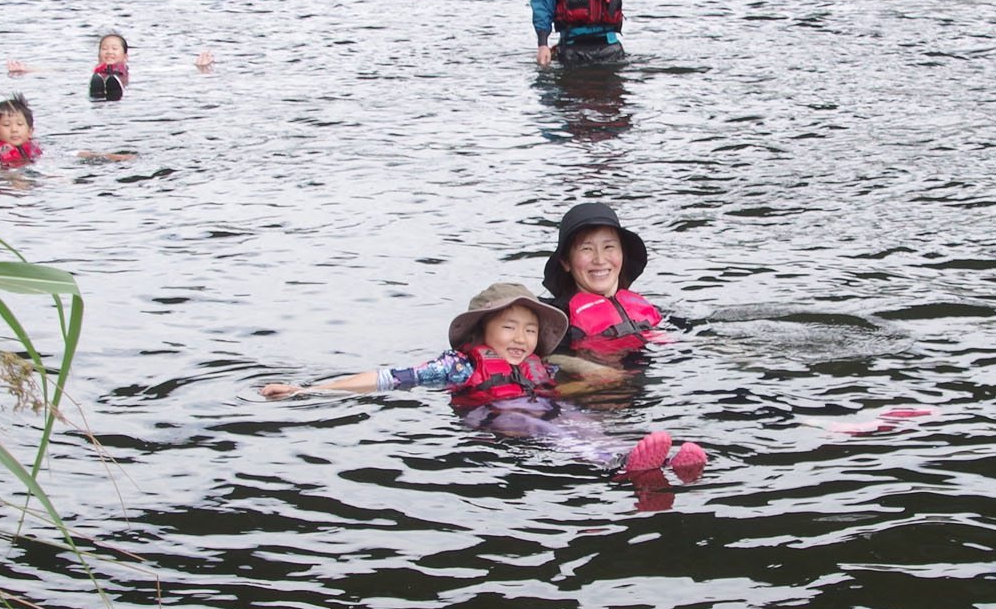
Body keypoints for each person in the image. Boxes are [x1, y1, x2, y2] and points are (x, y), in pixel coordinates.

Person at [260, 282, 704, 478]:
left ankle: (652, 462)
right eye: (509, 327)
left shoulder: (540, 367)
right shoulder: (459, 365)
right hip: (494, 418)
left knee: (582, 421)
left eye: (530, 330)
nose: (521, 337)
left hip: (540, 405)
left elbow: (555, 390)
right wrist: (308, 389)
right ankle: (617, 467)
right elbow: (387, 379)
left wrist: (598, 380)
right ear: (484, 330)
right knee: (542, 426)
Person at [542, 202, 667, 371]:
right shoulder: (555, 320)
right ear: (566, 262)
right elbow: (544, 356)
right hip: (594, 392)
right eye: (586, 249)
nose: (600, 260)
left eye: (609, 247)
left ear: (622, 254)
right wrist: (584, 367)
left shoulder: (648, 308)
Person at [0, 94, 42, 168]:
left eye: (20, 124)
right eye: (6, 125)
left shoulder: (35, 149)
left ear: (30, 131)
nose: (14, 130)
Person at [89, 32, 129, 100]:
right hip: (99, 86)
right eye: (104, 49)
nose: (109, 52)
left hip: (118, 90)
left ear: (125, 57)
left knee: (113, 81)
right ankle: (96, 94)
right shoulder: (98, 72)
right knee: (97, 79)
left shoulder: (123, 71)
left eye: (114, 49)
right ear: (98, 56)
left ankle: (115, 92)